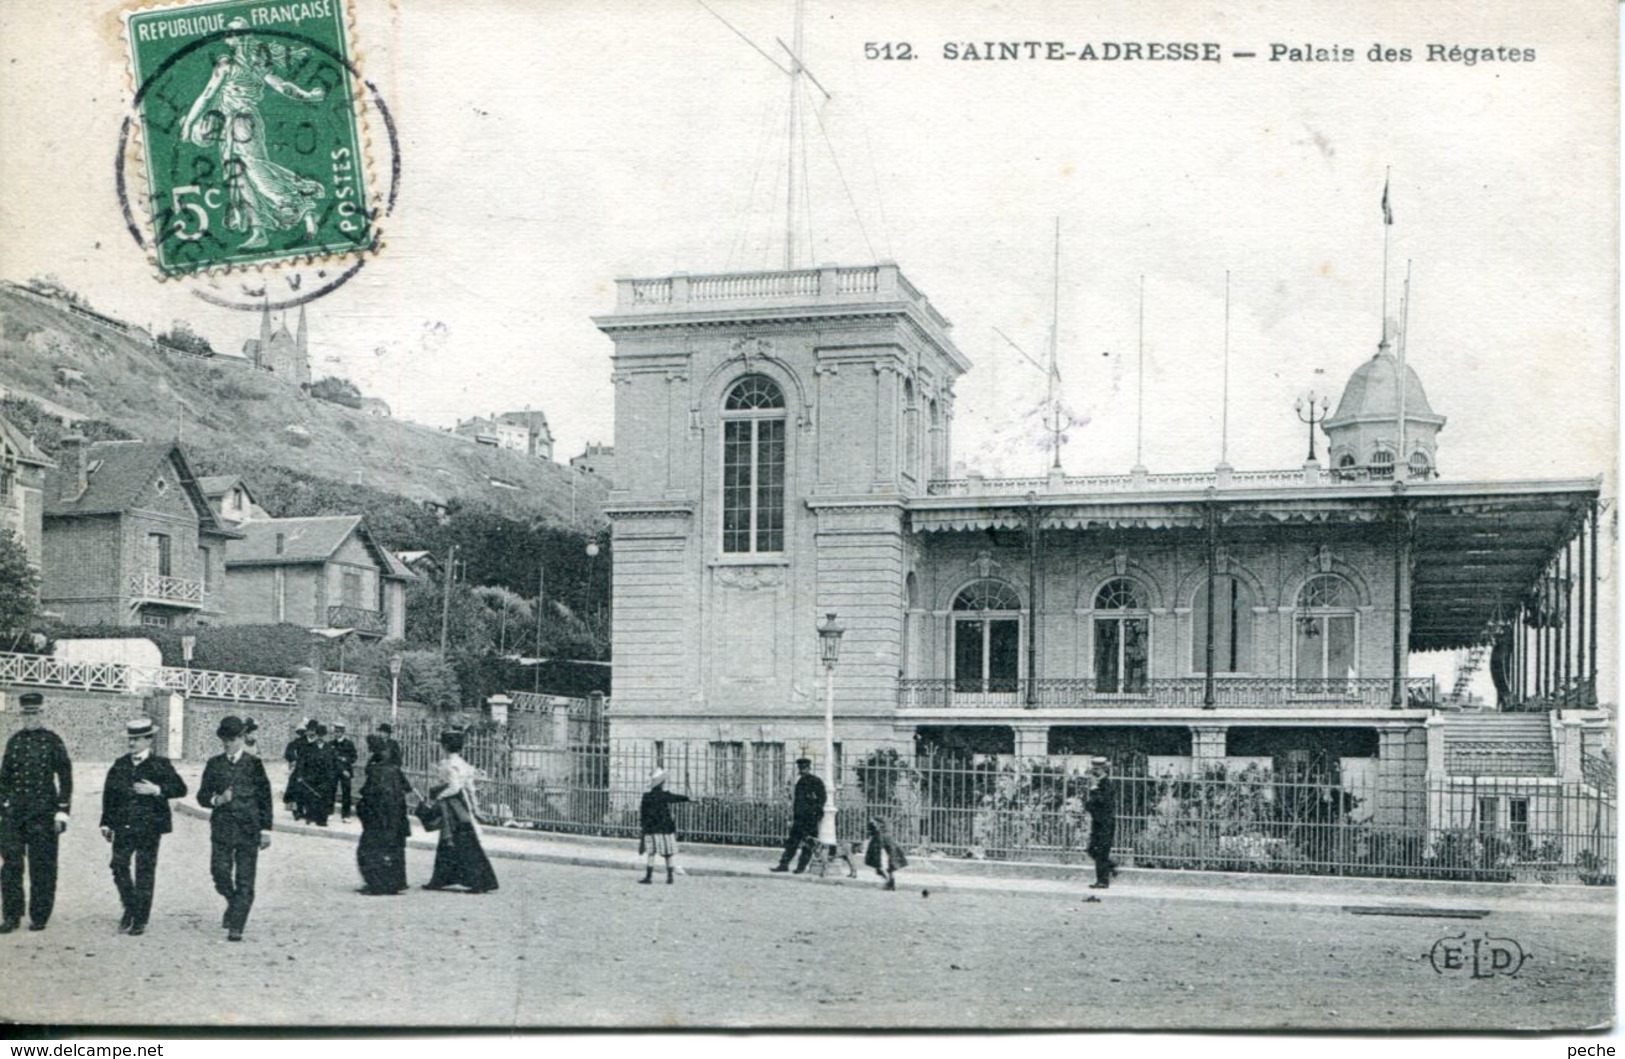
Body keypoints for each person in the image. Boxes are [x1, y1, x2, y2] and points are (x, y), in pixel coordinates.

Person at [178, 16, 328, 249]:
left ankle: (301, 199)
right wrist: (189, 123)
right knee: (238, 176)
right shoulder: (238, 64)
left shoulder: (245, 64)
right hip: (233, 124)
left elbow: (279, 86)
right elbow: (209, 95)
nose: (236, 38)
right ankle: (259, 231)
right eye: (234, 34)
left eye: (239, 33)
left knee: (256, 170)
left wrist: (306, 96)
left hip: (243, 122)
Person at [99, 718, 187, 935]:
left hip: (150, 826)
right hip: (124, 825)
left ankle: (140, 919)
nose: (132, 744)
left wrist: (156, 790)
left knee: (145, 871)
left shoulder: (161, 764)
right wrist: (106, 823)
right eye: (130, 739)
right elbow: (109, 795)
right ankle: (131, 907)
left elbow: (180, 788)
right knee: (118, 866)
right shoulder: (120, 764)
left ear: (149, 740)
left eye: (137, 739)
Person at [0, 692, 73, 933]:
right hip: (15, 814)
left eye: (35, 713)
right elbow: (4, 778)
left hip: (43, 813)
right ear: (21, 715)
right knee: (10, 864)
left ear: (42, 713)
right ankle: (12, 915)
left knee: (42, 866)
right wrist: (3, 807)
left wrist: (62, 811)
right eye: (26, 713)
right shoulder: (15, 741)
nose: (30, 718)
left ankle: (40, 914)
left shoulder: (53, 741)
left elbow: (65, 778)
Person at [196, 716, 273, 941]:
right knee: (219, 873)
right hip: (222, 828)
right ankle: (233, 902)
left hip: (249, 829)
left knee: (245, 879)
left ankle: (237, 924)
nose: (227, 744)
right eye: (224, 740)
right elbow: (201, 796)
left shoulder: (254, 764)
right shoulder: (214, 764)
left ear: (241, 738)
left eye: (231, 739)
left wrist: (266, 830)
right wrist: (217, 800)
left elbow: (265, 799)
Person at [422, 729, 498, 893]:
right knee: (464, 841)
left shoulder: (449, 765)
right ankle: (445, 879)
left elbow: (454, 787)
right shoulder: (464, 765)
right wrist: (475, 808)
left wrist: (439, 797)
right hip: (463, 805)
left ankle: (474, 881)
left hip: (452, 804)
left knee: (451, 840)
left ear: (445, 746)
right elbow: (470, 789)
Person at [355, 734, 410, 895]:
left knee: (370, 850)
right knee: (394, 850)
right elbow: (407, 788)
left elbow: (369, 794)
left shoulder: (376, 770)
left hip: (380, 818)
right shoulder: (394, 769)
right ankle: (396, 883)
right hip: (396, 816)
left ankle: (377, 884)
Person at [770, 757, 826, 874]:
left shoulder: (815, 781)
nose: (802, 770)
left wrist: (814, 811)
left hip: (810, 818)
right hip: (799, 818)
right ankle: (783, 864)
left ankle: (801, 867)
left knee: (808, 843)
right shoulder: (799, 781)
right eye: (801, 768)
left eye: (805, 768)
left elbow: (822, 799)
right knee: (792, 842)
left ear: (809, 768)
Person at [637, 770, 689, 885]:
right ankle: (670, 877)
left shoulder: (646, 797)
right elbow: (677, 798)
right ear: (662, 784)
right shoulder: (665, 795)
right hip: (665, 828)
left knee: (651, 853)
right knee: (668, 853)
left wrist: (643, 828)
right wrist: (687, 798)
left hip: (651, 829)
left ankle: (648, 877)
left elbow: (643, 814)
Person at [1084, 757, 1119, 890]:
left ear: (1104, 769)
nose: (1093, 771)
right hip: (1097, 822)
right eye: (1093, 768)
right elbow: (1090, 804)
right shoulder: (1099, 784)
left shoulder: (1107, 784)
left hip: (1106, 822)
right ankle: (1111, 867)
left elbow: (1101, 801)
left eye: (1096, 769)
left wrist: (1093, 787)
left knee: (1102, 852)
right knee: (1092, 849)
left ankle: (1103, 881)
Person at [299, 723, 336, 827]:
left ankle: (322, 819)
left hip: (325, 778)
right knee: (311, 797)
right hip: (311, 777)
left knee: (324, 798)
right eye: (319, 735)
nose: (320, 737)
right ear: (316, 735)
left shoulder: (330, 749)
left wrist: (331, 778)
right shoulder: (309, 747)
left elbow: (333, 765)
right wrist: (300, 775)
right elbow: (302, 762)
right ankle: (310, 816)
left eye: (323, 735)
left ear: (326, 736)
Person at [864, 817, 909, 891]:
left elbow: (879, 846)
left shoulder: (880, 835)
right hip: (889, 854)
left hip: (883, 854)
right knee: (889, 869)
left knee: (881, 869)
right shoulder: (887, 833)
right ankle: (890, 883)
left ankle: (889, 883)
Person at [330, 722, 358, 822]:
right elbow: (330, 757)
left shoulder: (349, 744)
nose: (337, 734)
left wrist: (345, 759)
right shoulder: (331, 744)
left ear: (343, 732)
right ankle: (329, 812)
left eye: (339, 732)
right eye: (336, 732)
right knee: (331, 791)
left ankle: (345, 815)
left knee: (346, 793)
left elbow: (354, 757)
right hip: (334, 771)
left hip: (346, 772)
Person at [282, 723, 308, 819]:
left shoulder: (308, 743)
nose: (301, 734)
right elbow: (288, 753)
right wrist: (294, 759)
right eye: (299, 732)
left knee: (305, 790)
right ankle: (296, 810)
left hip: (307, 769)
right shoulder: (294, 743)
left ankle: (303, 810)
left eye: (302, 732)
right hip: (298, 769)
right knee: (295, 789)